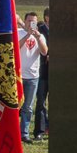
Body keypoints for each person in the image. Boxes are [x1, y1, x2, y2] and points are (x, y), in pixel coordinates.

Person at [18, 11, 47, 144]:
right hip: (18, 76)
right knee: (15, 106)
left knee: (28, 107)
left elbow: (44, 52)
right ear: (25, 22)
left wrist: (38, 37)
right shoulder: (19, 33)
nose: (31, 23)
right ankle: (14, 131)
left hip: (33, 77)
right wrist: (27, 35)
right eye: (29, 21)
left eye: (34, 21)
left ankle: (24, 133)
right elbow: (15, 48)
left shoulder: (40, 36)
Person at [35, 8, 51, 138]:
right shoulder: (40, 30)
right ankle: (40, 130)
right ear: (46, 17)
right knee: (41, 101)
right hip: (42, 70)